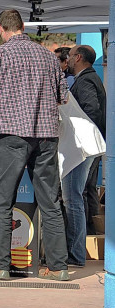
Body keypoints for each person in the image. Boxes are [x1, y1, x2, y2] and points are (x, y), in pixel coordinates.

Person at [0, 9, 70, 281]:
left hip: (10, 134)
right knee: (50, 202)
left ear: (1, 29)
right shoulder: (47, 56)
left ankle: (1, 265)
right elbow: (63, 98)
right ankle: (58, 267)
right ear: (22, 26)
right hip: (45, 134)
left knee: (3, 202)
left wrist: (2, 101)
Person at [66, 45, 106, 260]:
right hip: (87, 145)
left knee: (74, 197)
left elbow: (92, 109)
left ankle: (76, 252)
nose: (68, 60)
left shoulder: (86, 80)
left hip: (83, 147)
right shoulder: (90, 78)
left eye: (70, 56)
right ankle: (78, 249)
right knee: (78, 194)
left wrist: (77, 131)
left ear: (78, 57)